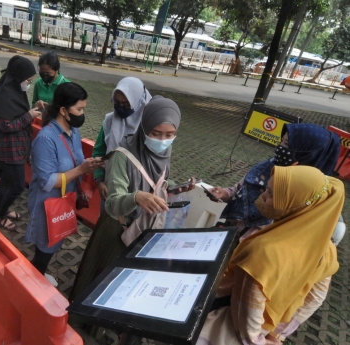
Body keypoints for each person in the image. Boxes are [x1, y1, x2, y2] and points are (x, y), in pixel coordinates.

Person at [197, 165, 344, 345]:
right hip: (268, 329)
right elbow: (314, 299)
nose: (263, 196)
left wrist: (256, 341)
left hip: (227, 329)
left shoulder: (263, 252)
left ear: (295, 204)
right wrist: (276, 335)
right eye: (267, 189)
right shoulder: (326, 249)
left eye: (272, 194)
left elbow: (246, 312)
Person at [69, 96, 193, 302]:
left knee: (123, 284)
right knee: (99, 282)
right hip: (117, 229)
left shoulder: (165, 151)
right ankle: (84, 325)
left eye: (170, 135)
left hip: (144, 228)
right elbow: (112, 203)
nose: (163, 140)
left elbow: (157, 184)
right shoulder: (122, 156)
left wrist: (176, 189)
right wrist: (135, 197)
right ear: (144, 127)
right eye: (156, 133)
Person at [25, 82, 104, 284]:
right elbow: (47, 180)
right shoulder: (46, 139)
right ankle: (34, 280)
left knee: (55, 240)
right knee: (45, 245)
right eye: (79, 109)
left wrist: (89, 165)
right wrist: (80, 170)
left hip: (65, 200)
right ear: (63, 110)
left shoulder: (73, 131)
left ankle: (38, 275)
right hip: (48, 202)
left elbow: (76, 160)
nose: (82, 114)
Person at [207, 123, 340, 240]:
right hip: (228, 232)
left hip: (251, 248)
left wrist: (245, 243)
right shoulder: (267, 166)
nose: (280, 147)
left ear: (307, 153)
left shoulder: (305, 196)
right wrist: (224, 194)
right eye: (282, 141)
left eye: (287, 144)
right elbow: (238, 190)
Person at [0, 55, 40, 230]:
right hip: (6, 149)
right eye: (28, 80)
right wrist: (29, 116)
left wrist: (35, 108)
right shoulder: (5, 96)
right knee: (17, 185)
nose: (29, 83)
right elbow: (6, 125)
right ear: (17, 77)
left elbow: (17, 112)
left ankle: (2, 210)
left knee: (5, 182)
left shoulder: (14, 91)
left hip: (12, 147)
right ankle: (1, 215)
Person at [92, 77, 152, 213]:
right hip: (112, 189)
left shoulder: (149, 124)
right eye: (117, 103)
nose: (121, 108)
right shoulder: (109, 121)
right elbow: (99, 152)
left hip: (142, 193)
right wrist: (100, 180)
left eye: (126, 104)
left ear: (139, 101)